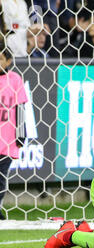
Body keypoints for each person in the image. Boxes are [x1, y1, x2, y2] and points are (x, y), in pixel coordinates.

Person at [0, 41, 28, 220]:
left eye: (0, 59)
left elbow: (21, 108)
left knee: (1, 177)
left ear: (9, 61)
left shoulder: (15, 79)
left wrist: (21, 133)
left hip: (7, 139)